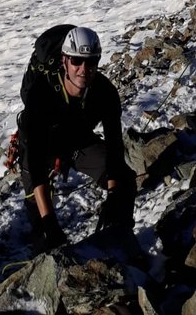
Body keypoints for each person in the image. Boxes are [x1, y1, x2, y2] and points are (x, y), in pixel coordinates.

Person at [19, 26, 137, 254]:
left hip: (77, 141)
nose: (84, 69)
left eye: (91, 62)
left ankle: (119, 241)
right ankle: (45, 258)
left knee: (124, 180)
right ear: (64, 61)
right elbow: (35, 163)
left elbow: (114, 146)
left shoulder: (104, 92)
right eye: (76, 61)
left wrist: (114, 194)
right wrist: (50, 223)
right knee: (41, 219)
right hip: (41, 148)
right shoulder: (41, 93)